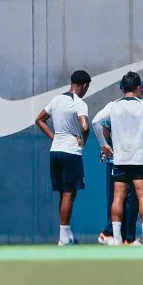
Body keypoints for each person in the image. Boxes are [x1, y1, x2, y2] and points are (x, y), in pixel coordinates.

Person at [92, 71, 143, 245]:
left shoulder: (113, 106)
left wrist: (103, 144)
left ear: (123, 88)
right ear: (138, 87)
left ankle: (117, 239)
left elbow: (95, 122)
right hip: (140, 161)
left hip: (120, 160)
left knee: (118, 198)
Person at [34, 69, 92, 245]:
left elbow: (39, 120)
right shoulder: (79, 103)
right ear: (84, 86)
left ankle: (65, 235)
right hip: (70, 152)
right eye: (87, 87)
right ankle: (64, 237)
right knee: (68, 194)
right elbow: (85, 126)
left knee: (63, 194)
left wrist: (54, 137)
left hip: (56, 152)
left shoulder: (56, 99)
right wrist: (82, 141)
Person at [98, 115, 140, 245]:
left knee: (131, 199)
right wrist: (105, 147)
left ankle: (128, 238)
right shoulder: (113, 109)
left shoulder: (138, 110)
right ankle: (108, 233)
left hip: (132, 161)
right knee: (117, 197)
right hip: (116, 162)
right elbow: (101, 126)